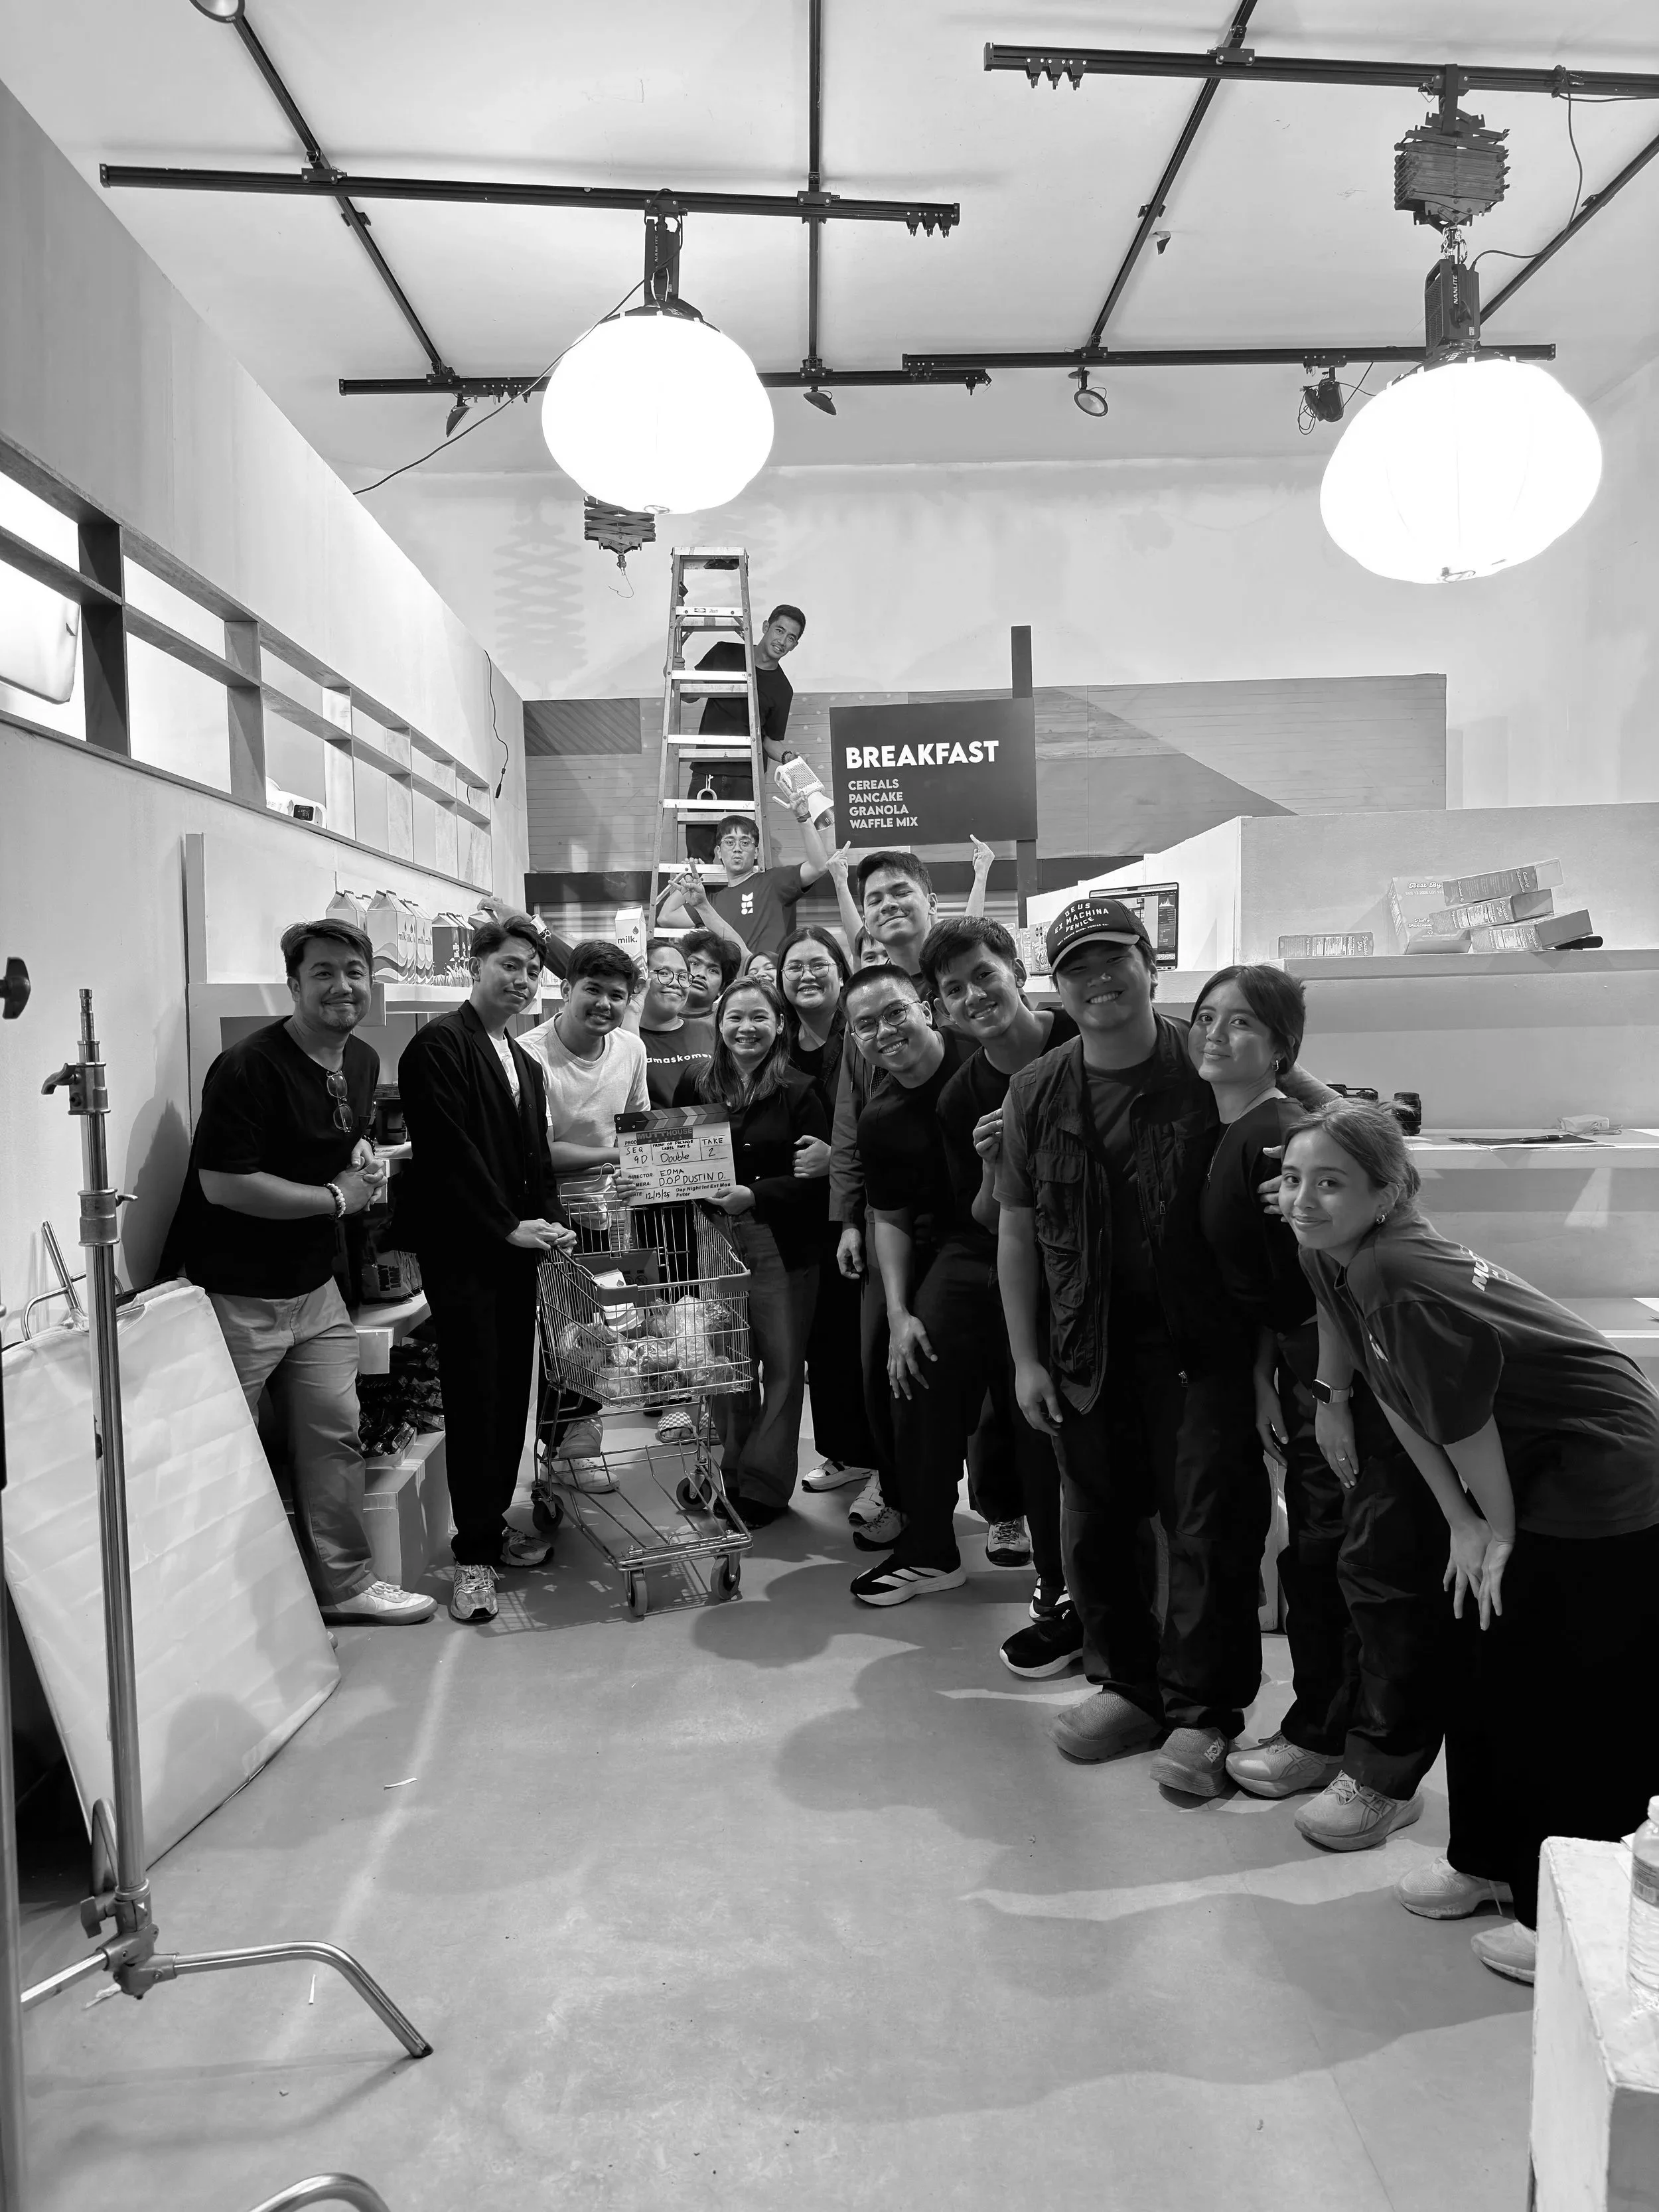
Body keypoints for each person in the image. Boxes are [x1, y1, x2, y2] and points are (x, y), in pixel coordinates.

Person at [1281, 1100, 1659, 1986]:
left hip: (1598, 1465)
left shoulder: (1394, 1270)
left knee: (1574, 1698)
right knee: (1486, 1665)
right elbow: (1399, 1397)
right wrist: (1459, 1521)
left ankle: (1570, 1914)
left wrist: (1494, 1529)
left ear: (1386, 1193)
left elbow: (1463, 1421)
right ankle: (1490, 1861)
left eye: (1331, 1182)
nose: (1303, 1199)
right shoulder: (1328, 1254)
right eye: (1293, 1178)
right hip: (1521, 1459)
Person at [996, 897, 1277, 1798]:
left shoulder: (1207, 1062)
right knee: (1097, 1520)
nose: (1098, 979)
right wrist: (1026, 1359)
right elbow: (1016, 1228)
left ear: (1150, 966)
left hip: (1202, 1345)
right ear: (1057, 987)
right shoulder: (1036, 1089)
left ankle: (1204, 1713)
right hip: (1084, 1346)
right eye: (1076, 967)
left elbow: (1305, 1111)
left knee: (1208, 1525)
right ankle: (1129, 1685)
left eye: (1113, 959)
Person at [1189, 968, 1447, 1846]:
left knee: (1365, 1568)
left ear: (1282, 1047)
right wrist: (1270, 1375)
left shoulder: (1279, 1141)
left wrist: (1330, 1393)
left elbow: (1342, 1271)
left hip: (1359, 1379)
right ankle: (1323, 1731)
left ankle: (1375, 1767)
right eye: (1207, 1017)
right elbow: (1283, 1286)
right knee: (1320, 1559)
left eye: (1242, 1022)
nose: (1216, 1033)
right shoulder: (1243, 1132)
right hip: (1307, 1375)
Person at [162, 920, 435, 1627]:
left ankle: (346, 1586)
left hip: (316, 1291)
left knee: (333, 1439)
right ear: (293, 984)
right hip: (237, 1296)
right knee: (221, 1452)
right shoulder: (248, 1067)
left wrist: (362, 1151)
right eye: (323, 973)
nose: (342, 986)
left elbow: (339, 1136)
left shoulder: (363, 1059)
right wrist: (336, 1199)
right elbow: (225, 1183)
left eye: (355, 971)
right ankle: (215, 1617)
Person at [392, 914, 574, 1625]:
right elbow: (448, 1153)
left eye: (532, 970)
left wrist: (550, 1224)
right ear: (476, 965)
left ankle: (491, 1527)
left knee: (508, 1393)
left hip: (518, 1250)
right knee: (475, 1397)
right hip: (467, 1251)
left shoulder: (524, 1061)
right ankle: (471, 1556)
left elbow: (535, 1158)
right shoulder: (438, 1045)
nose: (522, 979)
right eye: (509, 965)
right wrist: (504, 1225)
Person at [928, 917, 1080, 1670]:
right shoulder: (962, 1097)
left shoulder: (1085, 1034)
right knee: (1044, 1434)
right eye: (954, 989)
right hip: (1047, 1284)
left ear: (1018, 971)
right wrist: (993, 1165)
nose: (974, 996)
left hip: (1130, 1272)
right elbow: (989, 1220)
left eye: (984, 974)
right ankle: (1060, 1583)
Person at [674, 978, 829, 1523]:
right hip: (715, 1238)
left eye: (759, 1017)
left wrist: (755, 1195)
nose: (747, 1028)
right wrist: (638, 1180)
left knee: (782, 1368)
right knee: (727, 1365)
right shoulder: (696, 1082)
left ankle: (764, 1487)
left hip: (779, 1241)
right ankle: (732, 1471)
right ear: (718, 1024)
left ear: (779, 1024)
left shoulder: (800, 1090)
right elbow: (671, 1158)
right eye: (735, 1017)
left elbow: (817, 1180)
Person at [777, 926, 881, 1493]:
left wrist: (835, 1159)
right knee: (825, 1341)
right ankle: (845, 1451)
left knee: (865, 1337)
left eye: (819, 964)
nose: (807, 975)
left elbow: (887, 1116)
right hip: (797, 1216)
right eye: (794, 966)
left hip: (861, 1210)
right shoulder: (778, 1039)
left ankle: (884, 1461)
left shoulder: (864, 1033)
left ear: (842, 972)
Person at [684, 601, 806, 863]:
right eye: (779, 630)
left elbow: (769, 740)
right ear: (766, 627)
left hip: (747, 780)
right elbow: (690, 695)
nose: (782, 641)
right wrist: (673, 672)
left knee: (742, 862)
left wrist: (788, 758)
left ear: (795, 646)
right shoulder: (724, 653)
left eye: (791, 638)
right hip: (708, 771)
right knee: (698, 859)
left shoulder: (783, 689)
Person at [518, 939, 651, 1178]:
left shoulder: (633, 1049)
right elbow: (542, 1152)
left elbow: (635, 1133)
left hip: (618, 1195)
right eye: (593, 990)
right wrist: (621, 1156)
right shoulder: (527, 1054)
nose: (604, 1004)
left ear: (628, 1003)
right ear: (566, 991)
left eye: (616, 995)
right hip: (551, 1199)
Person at [660, 802, 835, 964]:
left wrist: (804, 817)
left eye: (745, 843)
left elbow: (819, 866)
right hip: (737, 984)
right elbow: (666, 918)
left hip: (772, 979)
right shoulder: (709, 903)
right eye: (730, 842)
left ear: (756, 852)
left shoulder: (774, 881)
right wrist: (691, 877)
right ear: (719, 852)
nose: (737, 848)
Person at [636, 936, 715, 1108]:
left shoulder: (711, 1032)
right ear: (641, 978)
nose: (675, 983)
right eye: (664, 973)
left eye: (683, 976)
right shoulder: (622, 1037)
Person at [681, 928, 741, 1020]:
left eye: (713, 970)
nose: (701, 974)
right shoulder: (656, 1016)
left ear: (722, 987)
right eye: (694, 963)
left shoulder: (724, 1027)